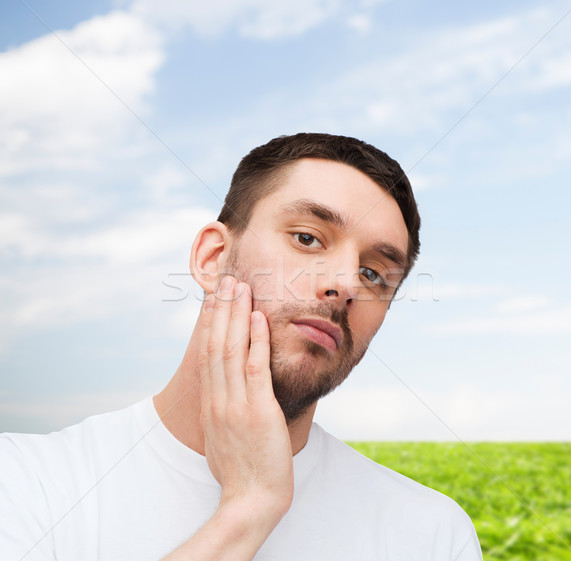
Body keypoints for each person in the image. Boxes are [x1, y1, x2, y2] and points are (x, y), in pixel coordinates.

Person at [0, 133, 482, 560]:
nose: (345, 283)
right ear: (213, 258)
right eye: (308, 238)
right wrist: (248, 508)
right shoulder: (27, 483)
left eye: (374, 273)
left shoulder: (433, 534)